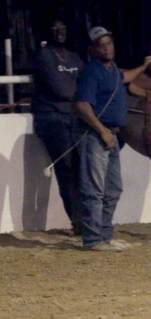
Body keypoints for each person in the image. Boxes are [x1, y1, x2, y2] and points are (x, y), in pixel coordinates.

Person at [74, 26, 151, 252]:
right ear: (93, 50)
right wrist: (102, 131)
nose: (107, 48)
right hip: (98, 135)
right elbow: (83, 105)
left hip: (110, 135)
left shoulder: (111, 70)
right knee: (95, 189)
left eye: (109, 43)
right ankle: (93, 239)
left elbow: (125, 77)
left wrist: (144, 67)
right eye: (101, 45)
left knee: (113, 188)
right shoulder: (92, 71)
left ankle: (104, 235)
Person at [32, 19, 84, 235]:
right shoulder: (44, 56)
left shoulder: (74, 57)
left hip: (72, 118)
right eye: (54, 27)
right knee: (68, 168)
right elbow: (62, 89)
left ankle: (84, 220)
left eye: (63, 27)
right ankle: (78, 223)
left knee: (80, 168)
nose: (59, 31)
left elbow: (84, 82)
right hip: (52, 118)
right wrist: (83, 91)